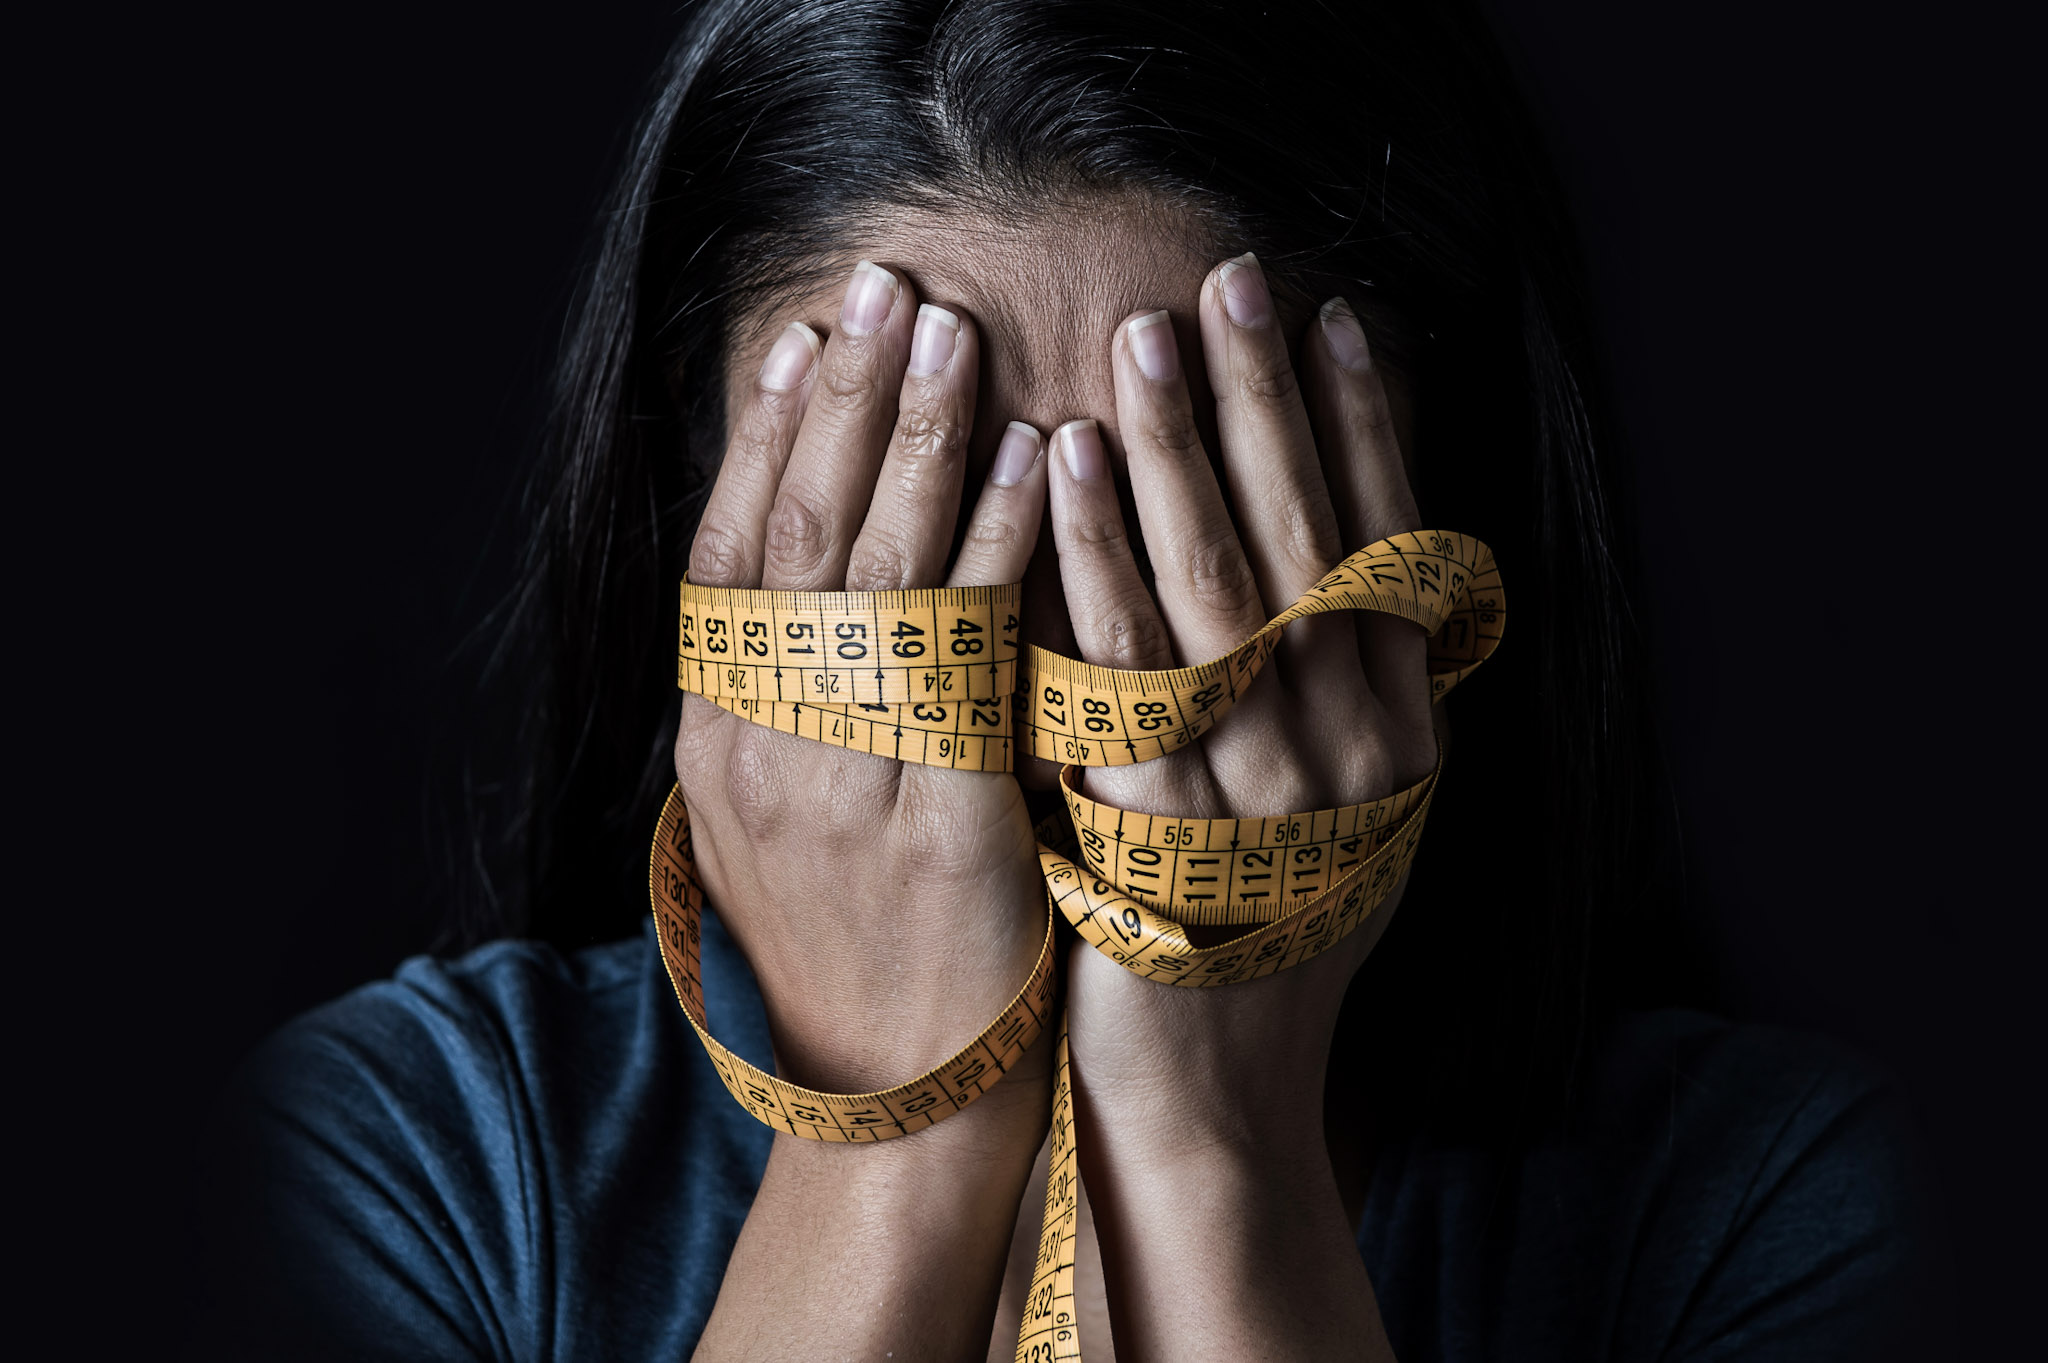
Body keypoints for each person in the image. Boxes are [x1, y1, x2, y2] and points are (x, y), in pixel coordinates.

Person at [198, 1, 1926, 1358]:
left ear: (1438, 553)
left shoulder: (1774, 1220)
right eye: (908, 521)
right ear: (700, 545)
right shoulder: (402, 1171)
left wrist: (1206, 1155)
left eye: (1193, 539)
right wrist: (894, 1146)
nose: (1039, 665)